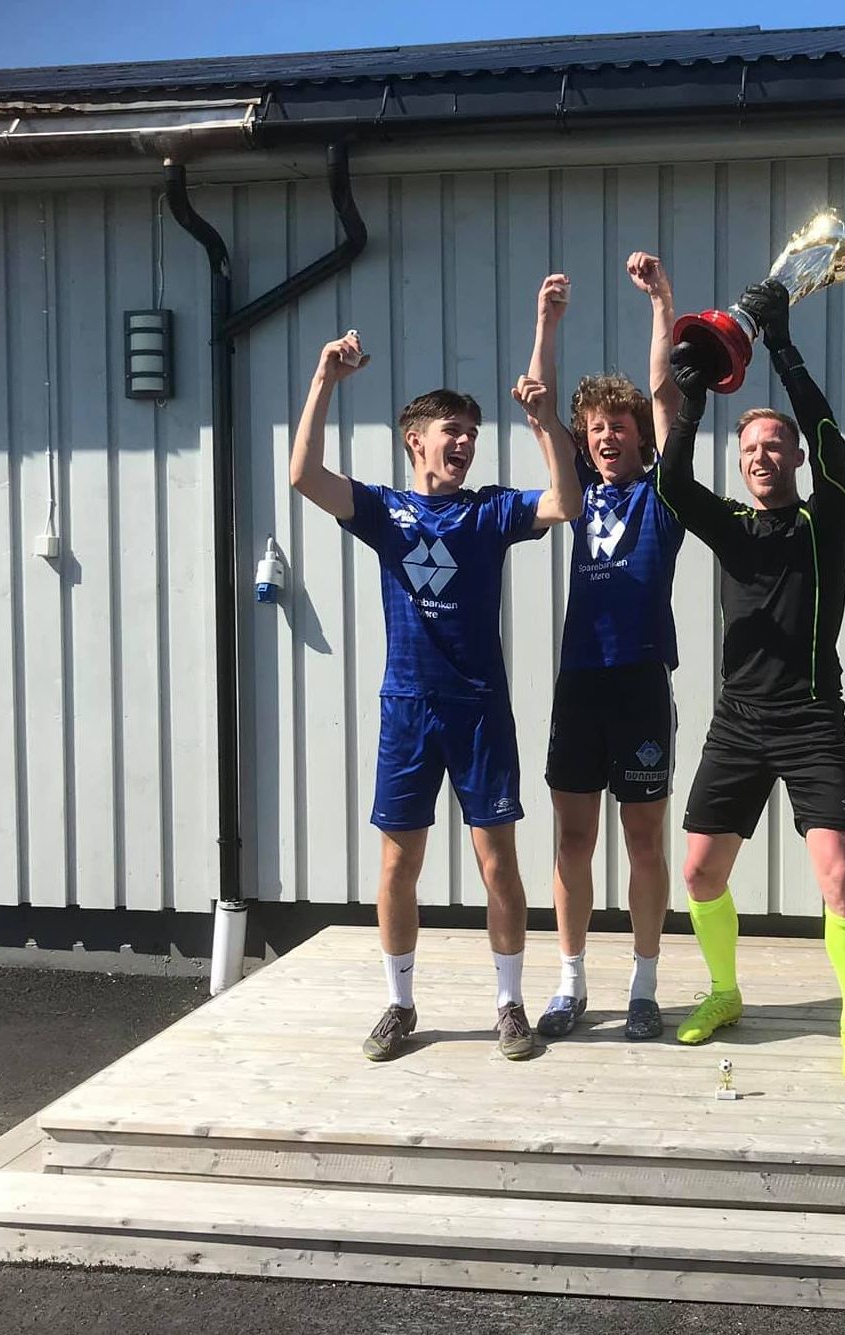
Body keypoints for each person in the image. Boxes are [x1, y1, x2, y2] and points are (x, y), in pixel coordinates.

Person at [288, 330, 581, 1064]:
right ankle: (399, 1002)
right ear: (415, 441)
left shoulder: (488, 512)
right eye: (453, 430)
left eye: (473, 434)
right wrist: (324, 380)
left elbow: (566, 502)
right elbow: (304, 476)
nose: (466, 443)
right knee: (398, 866)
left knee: (498, 863)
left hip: (479, 709)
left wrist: (545, 424)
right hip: (408, 709)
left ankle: (509, 1003)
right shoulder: (385, 512)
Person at [655, 280, 845, 1086]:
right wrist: (689, 403)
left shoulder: (824, 520)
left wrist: (780, 346)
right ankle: (725, 991)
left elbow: (833, 445)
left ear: (792, 458)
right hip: (738, 720)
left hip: (811, 718)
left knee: (839, 879)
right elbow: (671, 486)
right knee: (698, 873)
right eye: (749, 448)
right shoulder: (732, 525)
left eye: (773, 447)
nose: (759, 457)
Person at [527, 255, 685, 1043]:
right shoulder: (578, 491)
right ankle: (570, 983)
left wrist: (661, 303)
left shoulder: (664, 492)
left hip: (640, 681)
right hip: (580, 683)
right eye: (595, 429)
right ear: (585, 445)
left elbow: (666, 396)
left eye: (619, 426)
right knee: (573, 838)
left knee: (644, 839)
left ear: (639, 438)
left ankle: (645, 986)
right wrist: (546, 324)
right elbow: (539, 402)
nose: (607, 435)